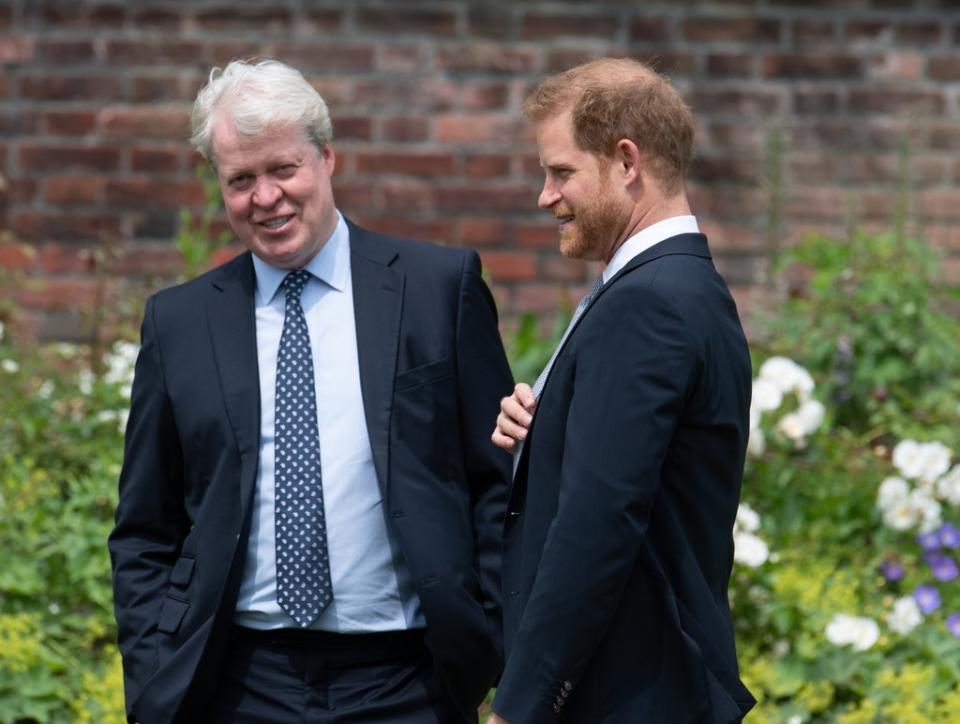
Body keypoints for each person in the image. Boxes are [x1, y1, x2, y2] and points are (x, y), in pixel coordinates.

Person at [108, 58, 513, 724]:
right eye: (241, 179)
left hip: (408, 683)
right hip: (237, 684)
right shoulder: (179, 322)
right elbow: (146, 526)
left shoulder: (437, 290)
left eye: (283, 169)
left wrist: (491, 644)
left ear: (327, 158)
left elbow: (498, 485)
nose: (265, 198)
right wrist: (156, 675)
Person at [488, 58, 756, 723]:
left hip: (624, 696)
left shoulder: (648, 306)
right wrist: (543, 428)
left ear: (626, 162)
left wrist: (519, 707)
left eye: (560, 172)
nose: (545, 196)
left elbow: (598, 522)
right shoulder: (684, 289)